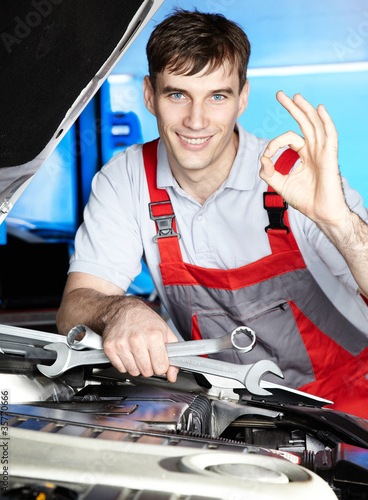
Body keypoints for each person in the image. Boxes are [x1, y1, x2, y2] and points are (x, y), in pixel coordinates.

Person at [56, 9, 368, 417]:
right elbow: (72, 310)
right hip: (235, 414)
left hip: (351, 405)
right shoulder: (127, 179)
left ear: (242, 98)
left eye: (217, 96)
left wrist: (337, 220)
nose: (196, 121)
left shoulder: (295, 174)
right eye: (177, 94)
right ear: (149, 95)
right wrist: (122, 310)